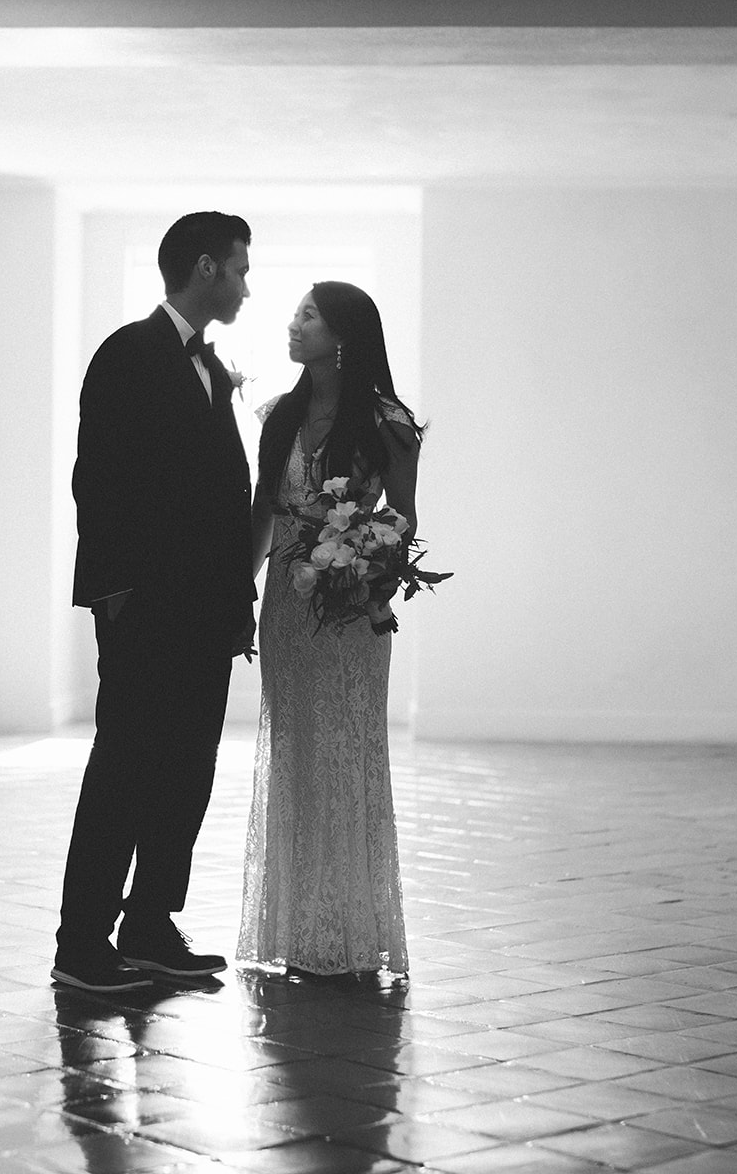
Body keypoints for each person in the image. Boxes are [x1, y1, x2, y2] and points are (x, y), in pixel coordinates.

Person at [53, 212, 258, 994]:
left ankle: (149, 925)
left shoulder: (209, 365)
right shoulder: (128, 353)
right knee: (125, 767)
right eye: (239, 269)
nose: (245, 283)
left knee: (189, 768)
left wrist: (238, 599)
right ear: (205, 268)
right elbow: (96, 481)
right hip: (145, 610)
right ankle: (82, 944)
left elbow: (220, 496)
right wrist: (114, 595)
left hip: (207, 613)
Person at [237, 281, 423, 978]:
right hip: (286, 606)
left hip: (351, 613)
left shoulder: (387, 421)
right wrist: (238, 591)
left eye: (307, 315)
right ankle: (298, 925)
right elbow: (263, 513)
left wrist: (362, 566)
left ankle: (347, 931)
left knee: (347, 753)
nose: (293, 323)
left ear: (343, 336)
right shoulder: (281, 415)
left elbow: (403, 522)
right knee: (293, 751)